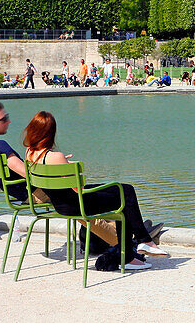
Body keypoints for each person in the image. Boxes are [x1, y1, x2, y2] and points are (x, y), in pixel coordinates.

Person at [22, 111, 164, 269]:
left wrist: (66, 165)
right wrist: (72, 169)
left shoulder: (30, 153)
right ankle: (140, 245)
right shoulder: (57, 156)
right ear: (51, 133)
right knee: (126, 194)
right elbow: (78, 188)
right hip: (76, 204)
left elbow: (51, 170)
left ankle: (134, 252)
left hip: (60, 203)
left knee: (124, 191)